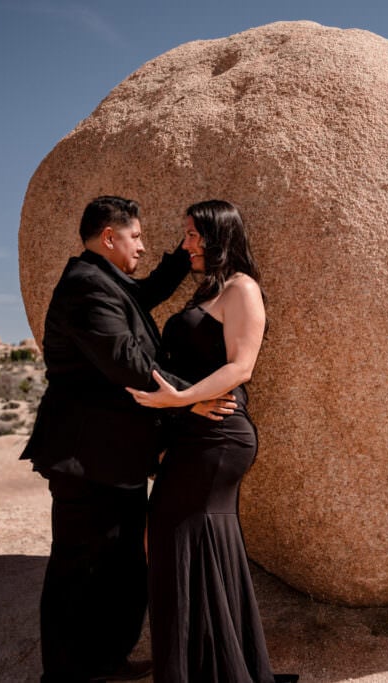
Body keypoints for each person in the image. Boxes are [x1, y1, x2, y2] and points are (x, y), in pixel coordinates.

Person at [22, 196, 235, 682]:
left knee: (119, 569)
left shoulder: (108, 283)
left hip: (116, 457)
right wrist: (189, 396)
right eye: (135, 237)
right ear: (109, 238)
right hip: (84, 457)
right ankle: (66, 674)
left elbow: (148, 291)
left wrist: (187, 252)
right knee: (78, 571)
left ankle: (107, 661)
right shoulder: (84, 288)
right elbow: (124, 360)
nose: (141, 246)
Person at [126, 200, 295, 683]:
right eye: (186, 234)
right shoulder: (207, 290)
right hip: (192, 433)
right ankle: (215, 668)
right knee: (182, 545)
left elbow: (242, 366)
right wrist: (180, 406)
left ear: (221, 236)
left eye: (194, 236)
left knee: (174, 541)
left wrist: (177, 399)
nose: (186, 244)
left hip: (218, 436)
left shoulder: (242, 288)